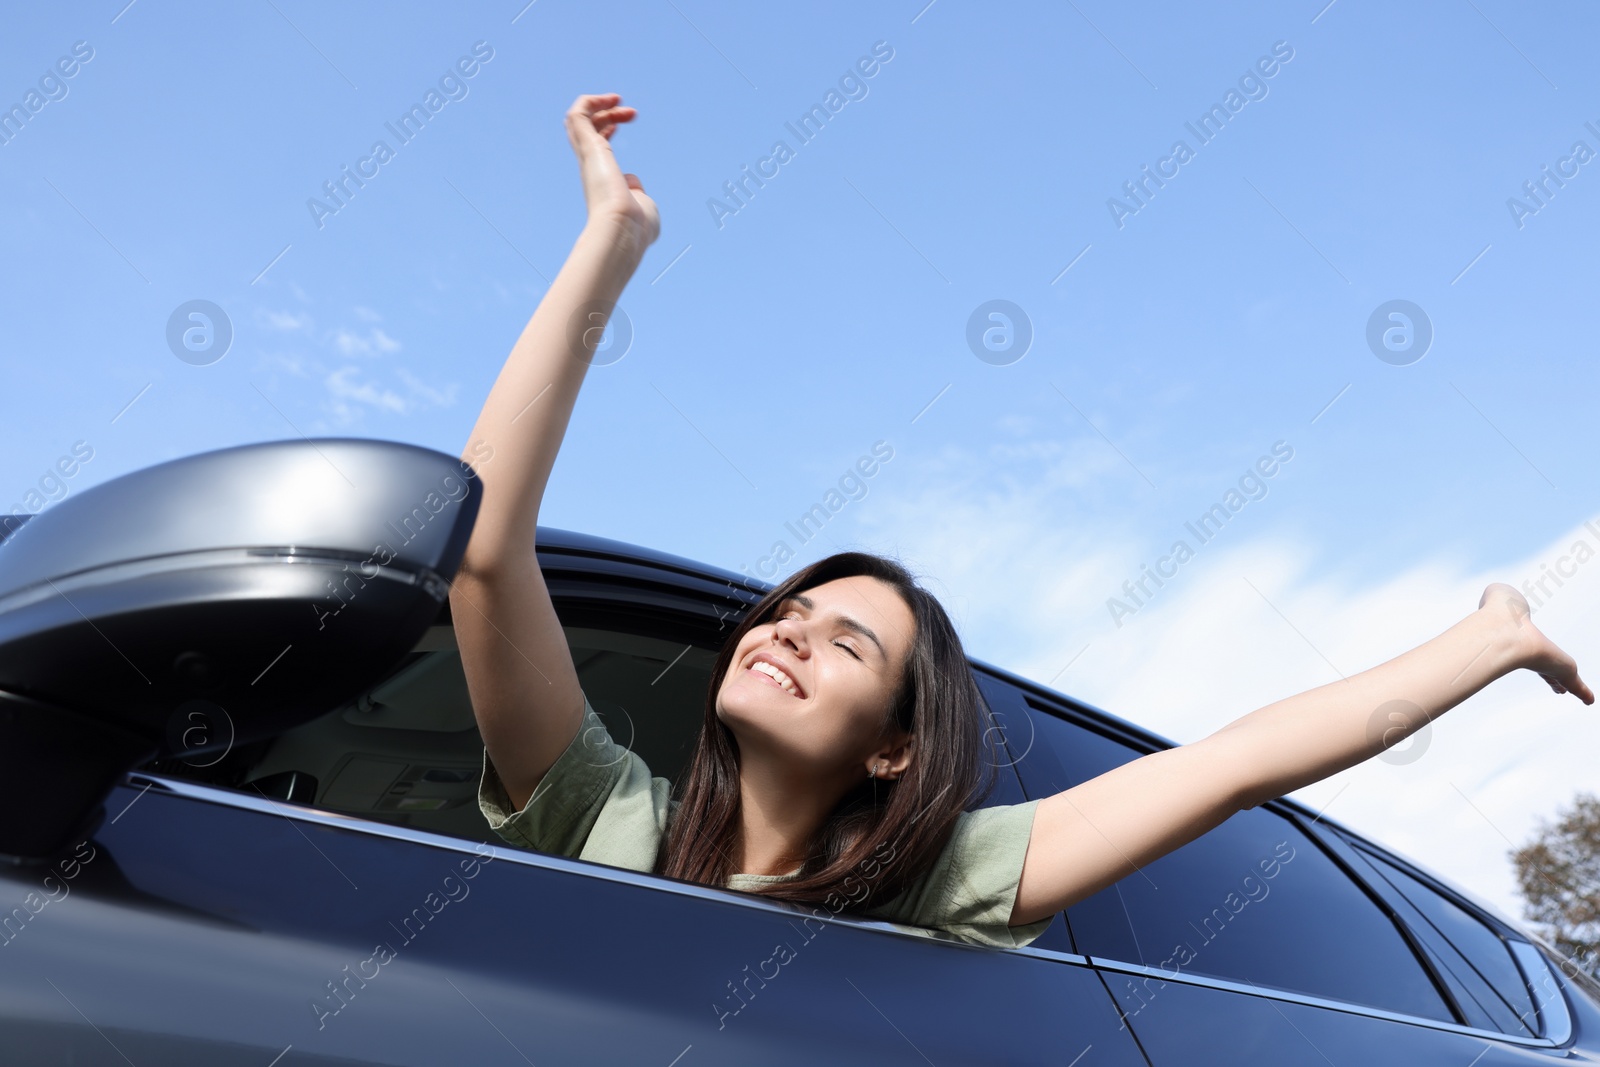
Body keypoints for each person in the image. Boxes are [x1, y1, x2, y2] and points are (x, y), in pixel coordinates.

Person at [450, 92, 1594, 950]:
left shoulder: (932, 881)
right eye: (787, 613)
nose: (788, 631)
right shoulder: (603, 815)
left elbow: (1233, 764)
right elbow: (486, 551)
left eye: (845, 640)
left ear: (894, 745)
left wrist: (1484, 640)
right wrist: (614, 239)